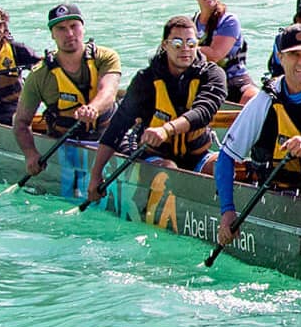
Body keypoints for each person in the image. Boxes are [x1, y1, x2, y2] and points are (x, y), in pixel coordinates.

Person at [214, 24, 301, 244]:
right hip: (280, 197)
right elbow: (226, 157)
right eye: (294, 55)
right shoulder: (263, 102)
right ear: (281, 58)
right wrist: (227, 211)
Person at [87, 15, 227, 200]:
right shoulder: (145, 80)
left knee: (224, 168)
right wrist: (95, 175)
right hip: (155, 156)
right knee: (169, 170)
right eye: (177, 43)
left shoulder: (212, 75)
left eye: (191, 43)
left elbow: (203, 112)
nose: (185, 49)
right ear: (165, 45)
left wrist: (166, 130)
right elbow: (117, 128)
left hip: (197, 155)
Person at [12, 3, 122, 173]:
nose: (69, 34)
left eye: (74, 26)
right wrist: (31, 154)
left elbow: (108, 92)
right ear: (52, 34)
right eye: (61, 29)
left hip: (109, 137)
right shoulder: (39, 75)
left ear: (83, 28)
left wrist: (93, 108)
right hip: (66, 142)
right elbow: (21, 122)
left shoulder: (106, 57)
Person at [191, 0, 255, 102]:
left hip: (233, 79)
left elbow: (215, 55)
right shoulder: (192, 23)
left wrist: (186, 47)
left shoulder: (229, 21)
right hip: (203, 80)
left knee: (253, 97)